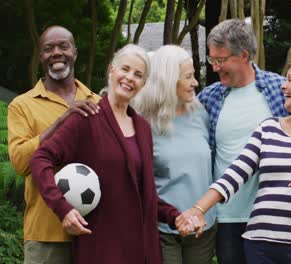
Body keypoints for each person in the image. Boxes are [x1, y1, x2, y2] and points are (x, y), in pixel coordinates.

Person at [29, 44, 195, 264]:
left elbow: (145, 195)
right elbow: (40, 159)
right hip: (102, 249)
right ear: (111, 70)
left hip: (143, 250)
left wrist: (175, 217)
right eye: (124, 69)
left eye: (138, 75)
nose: (129, 78)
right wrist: (63, 208)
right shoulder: (85, 118)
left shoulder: (143, 128)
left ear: (143, 84)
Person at [185, 53, 291, 264]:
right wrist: (198, 209)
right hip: (260, 244)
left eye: (290, 80)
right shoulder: (268, 128)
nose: (283, 86)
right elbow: (234, 175)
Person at [197, 18, 289, 264]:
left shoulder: (281, 90)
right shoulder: (207, 98)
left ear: (244, 55)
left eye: (221, 60)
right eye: (212, 59)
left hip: (274, 214)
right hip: (228, 217)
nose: (215, 67)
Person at [8, 26, 100, 264]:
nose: (56, 52)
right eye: (48, 49)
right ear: (41, 57)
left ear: (75, 53)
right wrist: (61, 122)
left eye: (63, 46)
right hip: (46, 234)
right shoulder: (21, 106)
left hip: (95, 230)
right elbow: (19, 162)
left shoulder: (98, 102)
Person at [132, 45, 216, 264]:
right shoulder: (142, 122)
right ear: (169, 81)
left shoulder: (201, 113)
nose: (195, 82)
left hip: (202, 227)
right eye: (188, 77)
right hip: (162, 229)